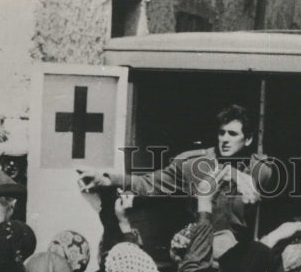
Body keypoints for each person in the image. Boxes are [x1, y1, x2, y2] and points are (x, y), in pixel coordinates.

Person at [79, 104, 276, 245]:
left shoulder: (261, 171)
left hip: (236, 256)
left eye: (232, 134)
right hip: (197, 255)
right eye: (221, 133)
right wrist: (109, 179)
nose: (224, 139)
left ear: (248, 139)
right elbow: (149, 183)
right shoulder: (192, 165)